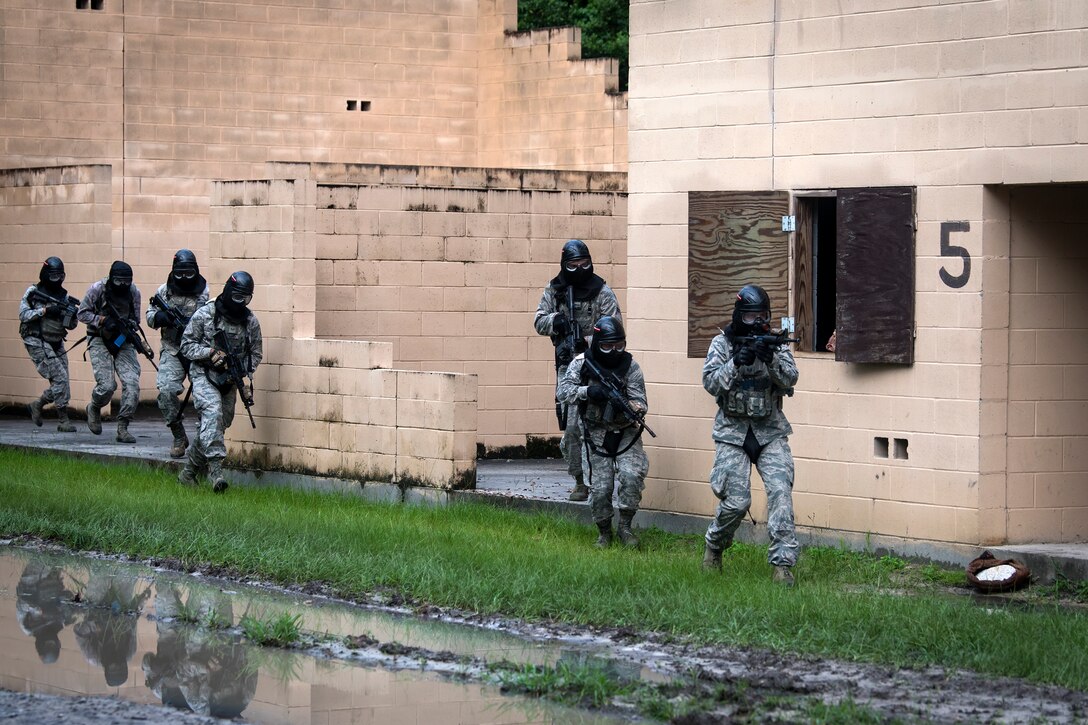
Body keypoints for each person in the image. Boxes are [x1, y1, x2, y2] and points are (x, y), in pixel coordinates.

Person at [701, 284, 800, 585]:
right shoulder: (722, 344)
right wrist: (737, 361)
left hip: (769, 431)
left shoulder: (776, 345)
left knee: (781, 494)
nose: (757, 322)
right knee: (737, 502)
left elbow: (791, 378)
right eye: (751, 317)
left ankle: (782, 567)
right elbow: (711, 383)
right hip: (733, 434)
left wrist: (769, 358)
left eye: (762, 316)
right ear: (739, 315)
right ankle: (714, 545)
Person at [534, 239, 622, 502]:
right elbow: (538, 321)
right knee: (572, 427)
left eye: (585, 264)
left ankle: (601, 479)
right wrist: (556, 321)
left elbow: (615, 325)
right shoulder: (555, 289)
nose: (581, 269)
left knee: (597, 424)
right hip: (567, 367)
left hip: (596, 365)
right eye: (574, 265)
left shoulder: (601, 291)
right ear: (565, 265)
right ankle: (580, 480)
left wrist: (590, 342)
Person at [557, 316, 649, 548]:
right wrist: (589, 392)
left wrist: (629, 406)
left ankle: (625, 528)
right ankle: (604, 533)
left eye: (619, 345)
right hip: (594, 431)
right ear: (597, 342)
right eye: (607, 346)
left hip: (625, 431)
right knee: (601, 487)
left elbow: (641, 402)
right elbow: (564, 392)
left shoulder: (631, 367)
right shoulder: (581, 363)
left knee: (631, 477)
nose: (614, 351)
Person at [179, 271, 263, 493]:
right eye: (237, 297)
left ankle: (187, 474)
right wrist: (209, 353)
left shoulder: (250, 322)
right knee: (212, 414)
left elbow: (256, 354)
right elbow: (186, 346)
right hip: (204, 373)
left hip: (229, 379)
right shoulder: (206, 313)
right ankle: (216, 473)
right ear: (228, 292)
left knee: (218, 424)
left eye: (245, 299)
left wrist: (243, 373)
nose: (240, 303)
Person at [147, 250, 210, 458]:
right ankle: (179, 435)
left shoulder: (203, 292)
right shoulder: (164, 291)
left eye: (188, 274)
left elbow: (208, 320)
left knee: (205, 397)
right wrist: (161, 317)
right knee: (165, 392)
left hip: (196, 351)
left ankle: (203, 443)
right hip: (172, 349)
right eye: (180, 274)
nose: (184, 278)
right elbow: (149, 317)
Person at [77, 260, 144, 443]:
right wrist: (102, 320)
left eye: (126, 281)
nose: (123, 285)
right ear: (112, 278)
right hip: (98, 337)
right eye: (119, 281)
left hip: (122, 340)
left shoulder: (134, 292)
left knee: (132, 384)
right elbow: (81, 313)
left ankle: (123, 427)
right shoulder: (97, 289)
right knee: (107, 386)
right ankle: (94, 406)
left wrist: (126, 331)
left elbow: (136, 320)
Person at [19, 257, 81, 432]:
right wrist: (45, 310)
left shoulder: (65, 297)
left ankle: (38, 405)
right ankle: (63, 420)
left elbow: (72, 325)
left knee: (64, 381)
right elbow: (23, 315)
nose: (56, 280)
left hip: (56, 340)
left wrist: (69, 316)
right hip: (36, 338)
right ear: (45, 274)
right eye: (53, 276)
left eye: (59, 276)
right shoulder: (34, 292)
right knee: (60, 379)